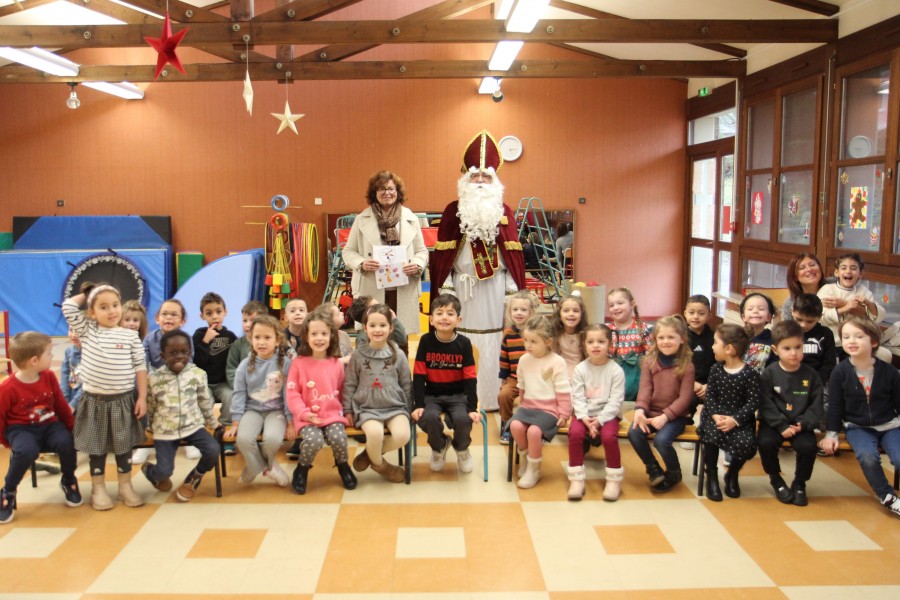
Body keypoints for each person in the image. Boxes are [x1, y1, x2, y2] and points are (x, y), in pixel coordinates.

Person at [430, 131, 526, 412]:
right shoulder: (452, 211)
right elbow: (442, 257)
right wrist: (445, 290)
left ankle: (492, 398)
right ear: (465, 179)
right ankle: (462, 397)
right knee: (460, 338)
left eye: (486, 176)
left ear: (495, 180)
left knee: (497, 339)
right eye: (475, 176)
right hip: (462, 290)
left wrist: (512, 290)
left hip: (496, 290)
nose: (481, 181)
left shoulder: (504, 210)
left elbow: (513, 256)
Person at [62, 282, 147, 510]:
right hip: (95, 402)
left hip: (123, 400)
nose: (112, 311)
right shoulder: (87, 329)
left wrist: (142, 398)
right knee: (96, 447)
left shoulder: (129, 336)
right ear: (92, 312)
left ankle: (125, 486)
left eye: (115, 305)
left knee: (123, 446)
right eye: (103, 307)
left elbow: (141, 367)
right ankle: (98, 488)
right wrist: (88, 294)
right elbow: (68, 307)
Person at [819, 317, 900, 519]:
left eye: (858, 336)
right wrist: (831, 434)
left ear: (873, 342)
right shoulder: (840, 371)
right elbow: (836, 405)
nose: (851, 341)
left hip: (890, 425)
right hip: (857, 427)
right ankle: (887, 496)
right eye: (846, 337)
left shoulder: (890, 372)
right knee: (868, 457)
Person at [0, 332, 81, 524]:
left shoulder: (48, 376)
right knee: (26, 451)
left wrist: (70, 426)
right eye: (49, 353)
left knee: (66, 443)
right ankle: (8, 490)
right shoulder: (8, 387)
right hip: (20, 429)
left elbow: (60, 403)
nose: (52, 356)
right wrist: (5, 441)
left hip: (49, 424)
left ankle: (69, 480)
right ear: (34, 360)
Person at [341, 170, 429, 343]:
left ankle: (399, 369)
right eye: (381, 189)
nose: (387, 192)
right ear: (374, 193)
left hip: (403, 289)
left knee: (400, 339)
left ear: (398, 191)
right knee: (370, 339)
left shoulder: (411, 218)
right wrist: (362, 263)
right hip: (372, 288)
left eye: (391, 188)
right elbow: (348, 251)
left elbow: (422, 251)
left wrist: (417, 264)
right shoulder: (361, 219)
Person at [142, 329, 220, 502]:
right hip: (165, 430)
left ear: (190, 353)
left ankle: (193, 478)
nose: (179, 357)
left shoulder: (198, 374)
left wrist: (212, 423)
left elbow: (204, 401)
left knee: (213, 450)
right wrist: (150, 425)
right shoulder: (154, 378)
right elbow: (151, 404)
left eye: (184, 352)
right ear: (162, 355)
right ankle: (152, 472)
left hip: (193, 426)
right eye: (173, 353)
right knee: (165, 471)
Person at [285, 307, 355, 495]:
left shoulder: (336, 363)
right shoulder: (298, 363)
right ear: (306, 337)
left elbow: (343, 390)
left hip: (332, 415)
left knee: (338, 438)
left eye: (324, 333)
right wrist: (306, 414)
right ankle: (302, 468)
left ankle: (343, 465)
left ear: (332, 336)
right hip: (307, 417)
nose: (319, 338)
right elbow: (292, 395)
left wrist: (346, 411)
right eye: (314, 333)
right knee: (314, 440)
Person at [342, 304, 413, 484]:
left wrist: (409, 408)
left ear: (390, 328)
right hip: (366, 407)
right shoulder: (358, 355)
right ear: (365, 328)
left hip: (395, 406)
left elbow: (406, 383)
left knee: (403, 435)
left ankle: (369, 454)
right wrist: (347, 410)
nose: (377, 330)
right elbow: (349, 384)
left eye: (382, 325)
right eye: (372, 325)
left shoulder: (398, 354)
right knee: (375, 434)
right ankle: (381, 465)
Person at [411, 294, 479, 474]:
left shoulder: (464, 343)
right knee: (427, 417)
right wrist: (418, 404)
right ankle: (439, 447)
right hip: (431, 395)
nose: (444, 317)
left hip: (458, 395)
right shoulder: (426, 341)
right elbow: (418, 374)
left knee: (463, 419)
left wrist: (472, 407)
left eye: (450, 314)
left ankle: (462, 449)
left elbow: (470, 378)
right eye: (439, 313)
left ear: (458, 320)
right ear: (431, 319)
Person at [759, 320, 824, 506]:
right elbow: (765, 403)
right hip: (774, 423)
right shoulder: (769, 373)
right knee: (766, 442)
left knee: (808, 447)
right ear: (775, 349)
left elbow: (816, 406)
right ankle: (775, 478)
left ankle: (800, 483)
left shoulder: (811, 374)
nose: (794, 353)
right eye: (787, 348)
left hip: (800, 424)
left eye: (798, 347)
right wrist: (781, 425)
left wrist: (803, 424)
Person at [628, 315, 695, 493]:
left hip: (675, 417)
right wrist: (640, 410)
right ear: (655, 340)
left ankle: (674, 473)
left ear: (682, 339)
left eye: (671, 337)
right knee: (634, 433)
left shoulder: (686, 366)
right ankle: (653, 468)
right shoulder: (649, 362)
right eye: (661, 337)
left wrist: (666, 416)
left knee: (661, 440)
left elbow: (685, 398)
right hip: (651, 413)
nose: (666, 341)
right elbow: (645, 389)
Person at [225, 315, 295, 487]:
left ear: (277, 340)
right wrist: (235, 422)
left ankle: (257, 466)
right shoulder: (244, 365)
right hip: (253, 410)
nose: (261, 342)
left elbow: (288, 394)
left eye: (267, 337)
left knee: (272, 439)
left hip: (276, 411)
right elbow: (239, 393)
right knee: (243, 439)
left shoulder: (285, 364)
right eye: (257, 337)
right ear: (251, 339)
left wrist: (290, 421)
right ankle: (266, 466)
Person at [509, 315, 572, 489]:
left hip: (549, 410)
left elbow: (564, 390)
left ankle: (534, 468)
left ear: (548, 341)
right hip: (528, 406)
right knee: (515, 426)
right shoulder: (524, 360)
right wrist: (522, 405)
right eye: (526, 340)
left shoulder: (557, 362)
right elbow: (522, 386)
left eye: (534, 341)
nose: (528, 345)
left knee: (534, 432)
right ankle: (526, 456)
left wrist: (564, 413)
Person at [699, 324, 760, 501]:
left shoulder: (750, 374)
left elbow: (753, 402)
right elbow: (710, 397)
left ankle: (732, 474)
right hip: (715, 415)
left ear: (729, 349)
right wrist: (715, 415)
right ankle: (711, 475)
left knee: (746, 444)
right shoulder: (716, 369)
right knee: (711, 436)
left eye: (715, 342)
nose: (712, 346)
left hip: (738, 419)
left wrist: (735, 420)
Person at [567, 324, 625, 502]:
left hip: (607, 415)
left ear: (609, 344)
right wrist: (584, 418)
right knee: (575, 434)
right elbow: (577, 397)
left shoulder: (615, 370)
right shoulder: (580, 369)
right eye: (591, 342)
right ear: (584, 345)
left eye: (601, 341)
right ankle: (576, 479)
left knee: (609, 437)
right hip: (584, 414)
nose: (596, 345)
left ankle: (614, 480)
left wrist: (599, 421)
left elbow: (615, 402)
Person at [817, 253, 890, 361]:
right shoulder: (828, 289)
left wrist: (868, 303)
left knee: (884, 355)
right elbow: (820, 316)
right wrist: (846, 308)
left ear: (860, 273)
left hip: (858, 342)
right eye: (843, 268)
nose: (848, 271)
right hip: (833, 342)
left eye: (853, 268)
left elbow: (879, 316)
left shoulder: (863, 291)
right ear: (836, 272)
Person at [193, 292, 236, 448]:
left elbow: (235, 361)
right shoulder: (199, 335)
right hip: (204, 383)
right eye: (209, 313)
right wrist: (205, 341)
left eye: (218, 311)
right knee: (204, 402)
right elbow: (197, 362)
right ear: (202, 316)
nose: (215, 316)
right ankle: (206, 436)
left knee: (230, 396)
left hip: (222, 383)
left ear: (225, 312)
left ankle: (226, 430)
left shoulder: (231, 336)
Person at [224, 300, 267, 457]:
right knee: (233, 399)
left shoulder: (270, 341)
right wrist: (239, 386)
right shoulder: (238, 344)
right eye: (244, 320)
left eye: (252, 321)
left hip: (265, 390)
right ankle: (230, 436)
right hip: (243, 388)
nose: (248, 325)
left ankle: (261, 436)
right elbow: (230, 368)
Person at [498, 291, 539, 445]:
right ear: (510, 312)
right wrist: (504, 379)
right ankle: (507, 424)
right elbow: (504, 358)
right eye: (515, 310)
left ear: (531, 312)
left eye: (523, 310)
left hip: (534, 379)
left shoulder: (536, 333)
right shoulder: (508, 334)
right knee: (504, 395)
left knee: (536, 399)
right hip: (514, 378)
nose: (519, 313)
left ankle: (533, 426)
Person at [119, 300, 155, 466]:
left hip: (138, 385)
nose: (131, 324)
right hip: (118, 385)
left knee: (142, 396)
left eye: (135, 320)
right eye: (127, 320)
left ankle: (142, 441)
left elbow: (145, 368)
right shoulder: (116, 342)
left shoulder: (143, 343)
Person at [606, 287, 653, 403]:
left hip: (638, 378)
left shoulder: (645, 329)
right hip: (612, 377)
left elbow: (651, 357)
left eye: (620, 303)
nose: (615, 307)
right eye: (611, 305)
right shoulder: (605, 330)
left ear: (632, 304)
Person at [791, 293, 837, 389]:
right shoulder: (786, 332)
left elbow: (829, 363)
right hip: (789, 379)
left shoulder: (826, 334)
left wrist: (815, 381)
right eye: (799, 319)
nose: (803, 325)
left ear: (820, 317)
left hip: (817, 381)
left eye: (810, 321)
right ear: (792, 312)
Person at [684, 294, 715, 419]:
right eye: (691, 312)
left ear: (709, 316)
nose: (695, 317)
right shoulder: (680, 337)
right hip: (686, 384)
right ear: (685, 313)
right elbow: (676, 364)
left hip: (710, 384)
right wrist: (692, 383)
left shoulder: (715, 337)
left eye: (701, 313)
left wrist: (709, 385)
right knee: (688, 402)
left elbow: (719, 364)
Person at [144, 299, 190, 369]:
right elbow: (143, 365)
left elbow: (189, 364)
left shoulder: (187, 339)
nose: (168, 317)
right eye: (164, 314)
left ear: (182, 321)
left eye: (174, 314)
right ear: (157, 319)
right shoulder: (149, 339)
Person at [782, 252, 826, 322]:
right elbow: (787, 330)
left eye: (812, 265)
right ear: (795, 276)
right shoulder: (791, 303)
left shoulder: (835, 284)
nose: (809, 269)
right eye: (802, 268)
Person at [553, 293, 588, 379]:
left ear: (581, 315)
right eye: (566, 310)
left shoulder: (586, 335)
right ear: (559, 316)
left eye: (575, 311)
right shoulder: (555, 334)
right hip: (560, 373)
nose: (571, 314)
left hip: (581, 373)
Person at [741, 292, 777, 373]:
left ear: (769, 317)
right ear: (743, 317)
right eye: (750, 309)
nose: (755, 311)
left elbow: (774, 367)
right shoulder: (736, 335)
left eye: (761, 309)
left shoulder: (774, 339)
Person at [60, 327, 82, 414]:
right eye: (71, 330)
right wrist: (65, 402)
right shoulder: (69, 351)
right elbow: (64, 376)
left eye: (78, 331)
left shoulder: (93, 353)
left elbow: (88, 384)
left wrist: (73, 405)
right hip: (73, 394)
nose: (73, 335)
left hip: (86, 397)